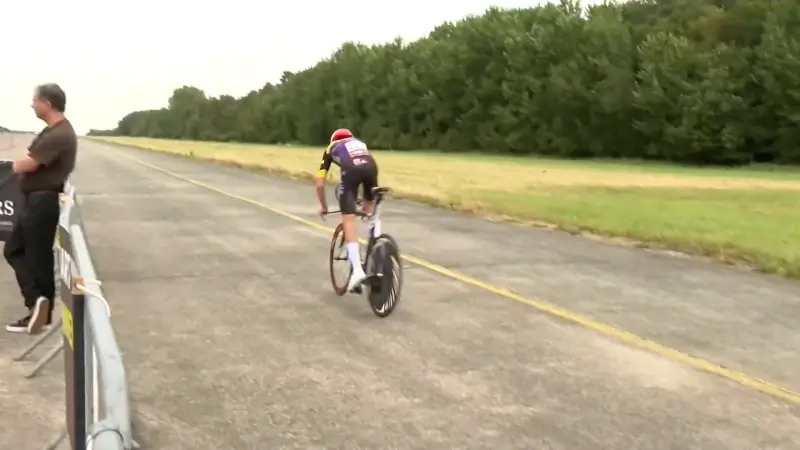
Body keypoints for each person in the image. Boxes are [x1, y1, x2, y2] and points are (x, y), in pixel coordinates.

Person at [5, 83, 77, 334]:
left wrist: (19, 164)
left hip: (41, 201)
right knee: (24, 252)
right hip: (35, 200)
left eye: (35, 100)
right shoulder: (51, 132)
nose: (32, 104)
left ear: (47, 103)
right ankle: (39, 307)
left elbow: (27, 164)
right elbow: (27, 157)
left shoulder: (60, 134)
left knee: (30, 255)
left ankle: (37, 304)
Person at [315, 128, 380, 293]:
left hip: (351, 171)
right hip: (371, 168)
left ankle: (357, 270)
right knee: (368, 210)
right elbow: (363, 164)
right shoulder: (359, 143)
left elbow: (320, 183)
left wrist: (323, 206)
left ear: (332, 140)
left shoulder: (331, 148)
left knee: (348, 219)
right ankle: (378, 248)